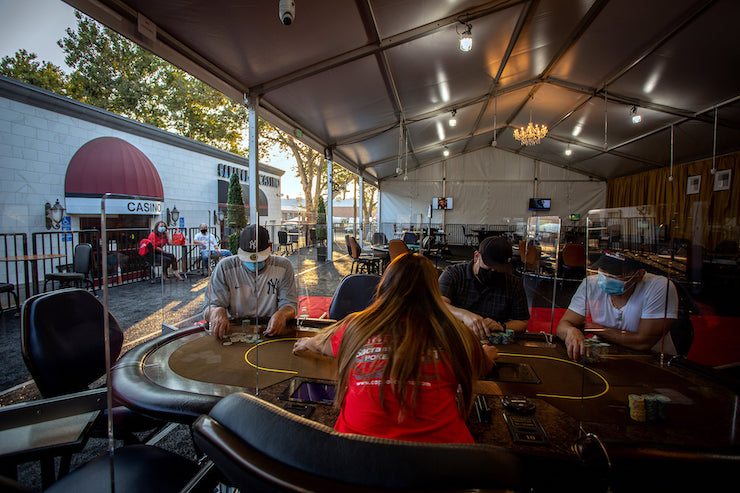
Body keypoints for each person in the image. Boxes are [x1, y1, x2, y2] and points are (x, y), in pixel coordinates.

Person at [292, 253, 497, 443]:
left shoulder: (356, 328)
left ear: (385, 285)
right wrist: (487, 352)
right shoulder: (457, 334)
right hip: (441, 465)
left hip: (355, 461)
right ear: (434, 291)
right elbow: (483, 364)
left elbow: (321, 344)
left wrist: (305, 343)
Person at [557, 251, 678, 361]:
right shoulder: (591, 284)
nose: (607, 277)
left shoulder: (658, 287)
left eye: (616, 274)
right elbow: (564, 325)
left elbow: (643, 342)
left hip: (651, 361)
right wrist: (571, 331)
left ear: (639, 275)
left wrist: (594, 328)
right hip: (607, 356)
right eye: (604, 270)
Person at [204, 225, 297, 339]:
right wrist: (216, 311)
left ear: (270, 248)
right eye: (248, 258)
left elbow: (290, 304)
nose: (254, 263)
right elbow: (209, 308)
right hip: (234, 330)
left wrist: (282, 314)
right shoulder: (224, 268)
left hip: (269, 331)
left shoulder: (283, 266)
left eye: (260, 258)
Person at [439, 236, 529, 338]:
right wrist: (463, 315)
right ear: (476, 256)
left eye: (499, 268)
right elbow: (439, 304)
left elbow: (522, 322)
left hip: (492, 341)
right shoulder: (454, 274)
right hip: (456, 337)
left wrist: (501, 326)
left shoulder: (513, 283)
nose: (493, 271)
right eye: (489, 266)